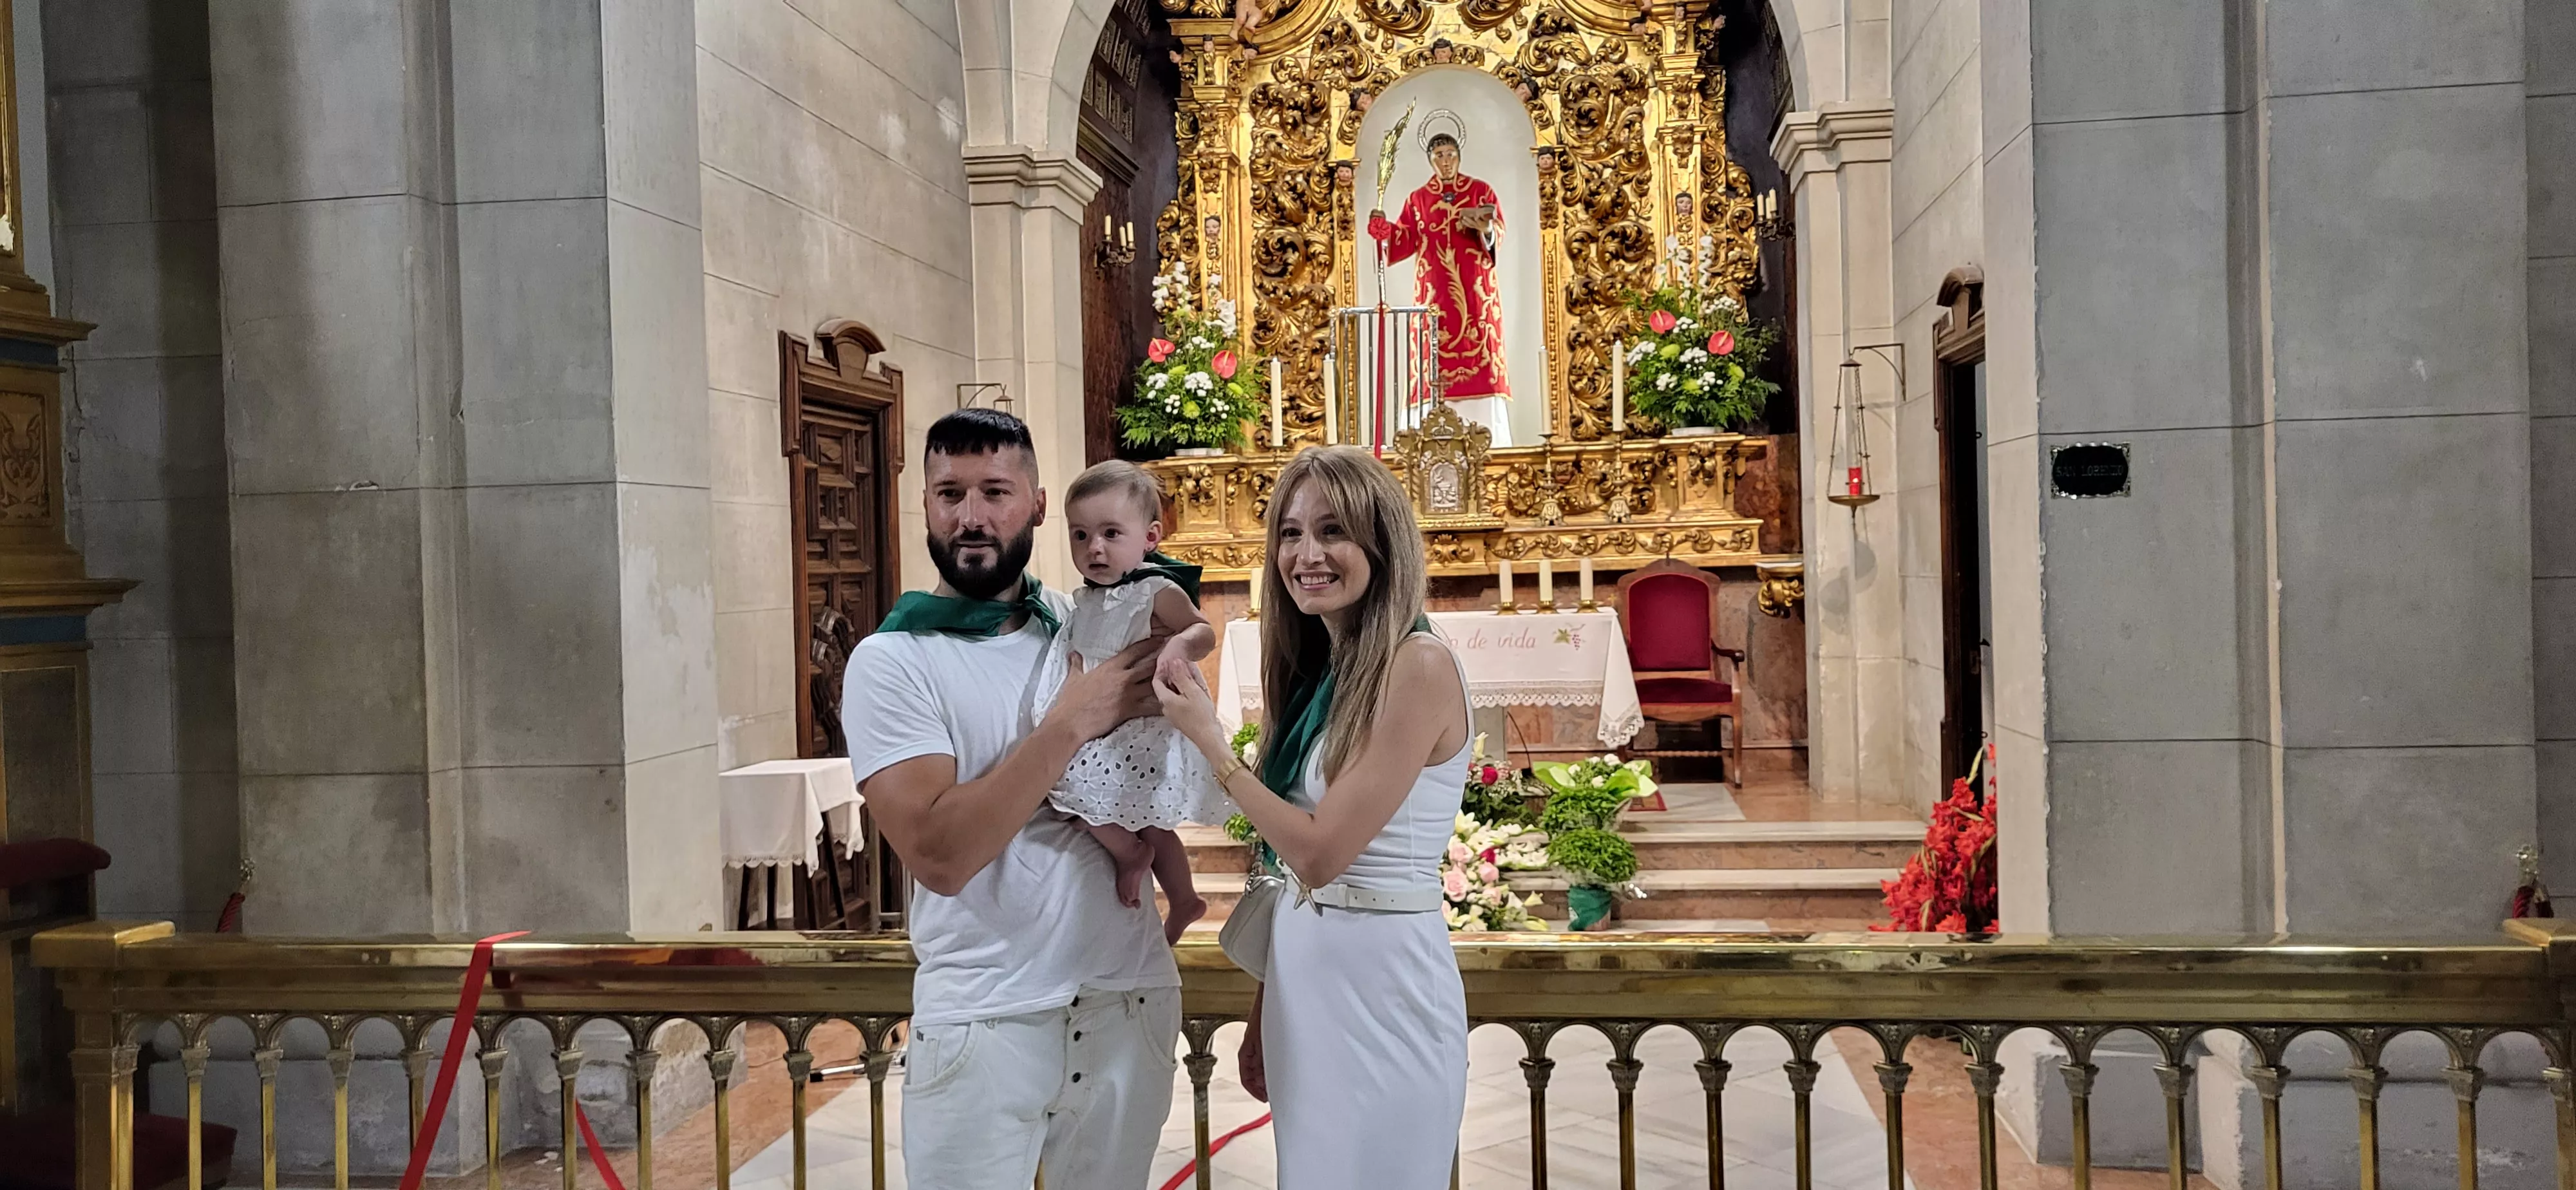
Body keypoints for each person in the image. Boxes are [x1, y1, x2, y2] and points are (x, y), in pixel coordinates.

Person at [841, 409, 1179, 1190]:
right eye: (948, 493)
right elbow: (942, 855)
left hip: (1123, 995)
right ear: (923, 505)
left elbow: (1154, 759)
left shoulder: (1081, 622)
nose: (970, 515)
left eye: (995, 490)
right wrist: (1069, 724)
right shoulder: (893, 661)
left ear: (1036, 505)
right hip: (985, 1014)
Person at [1153, 445, 1472, 1188]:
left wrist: (1210, 741)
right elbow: (1289, 871)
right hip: (1308, 974)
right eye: (1289, 534)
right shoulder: (1327, 671)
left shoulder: (1416, 663)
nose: (1306, 554)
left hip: (1382, 980)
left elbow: (1322, 853)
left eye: (1332, 531)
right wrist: (1268, 1000)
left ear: (1381, 544)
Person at [1042, 460, 1226, 943]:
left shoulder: (1154, 591)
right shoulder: (1083, 599)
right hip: (1102, 720)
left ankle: (1130, 855)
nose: (1094, 548)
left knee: (1068, 790)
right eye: (1080, 535)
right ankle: (1184, 898)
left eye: (1110, 533)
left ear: (1149, 538)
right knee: (1127, 811)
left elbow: (1202, 631)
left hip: (1142, 725)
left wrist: (1177, 647)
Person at [1369, 127, 1512, 433]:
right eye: (1439, 156)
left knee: (1480, 364)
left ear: (1459, 157)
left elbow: (1497, 230)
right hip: (1433, 303)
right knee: (1432, 368)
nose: (1446, 162)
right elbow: (1404, 240)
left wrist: (1484, 227)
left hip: (1476, 301)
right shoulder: (1418, 199)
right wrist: (1384, 232)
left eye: (1451, 155)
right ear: (1430, 160)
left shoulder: (1480, 191)